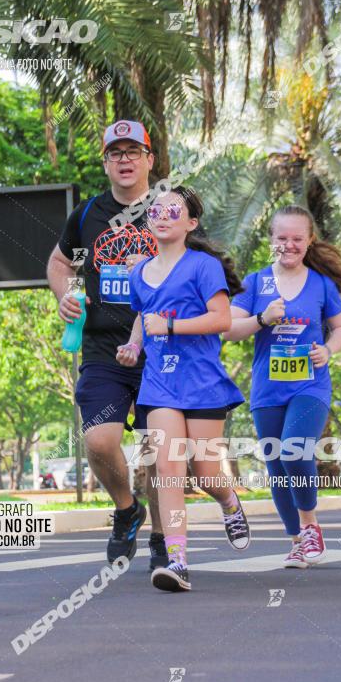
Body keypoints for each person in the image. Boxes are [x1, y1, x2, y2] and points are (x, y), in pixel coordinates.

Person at [117, 186, 250, 593]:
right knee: (169, 470)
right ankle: (178, 561)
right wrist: (134, 344)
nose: (161, 214)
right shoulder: (139, 272)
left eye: (173, 210)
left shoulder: (203, 266)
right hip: (159, 385)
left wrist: (171, 326)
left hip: (204, 384)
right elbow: (143, 316)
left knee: (206, 473)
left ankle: (229, 502)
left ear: (190, 223)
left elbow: (222, 319)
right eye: (156, 209)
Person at [47, 120, 167, 569]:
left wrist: (154, 266)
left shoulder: (169, 209)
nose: (124, 159)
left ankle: (162, 538)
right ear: (106, 161)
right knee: (99, 440)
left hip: (161, 349)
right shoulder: (86, 214)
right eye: (115, 152)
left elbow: (196, 272)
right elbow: (60, 262)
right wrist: (66, 295)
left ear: (149, 160)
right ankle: (126, 509)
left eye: (133, 151)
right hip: (102, 348)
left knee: (159, 449)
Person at [227, 204, 341, 568]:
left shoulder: (321, 284)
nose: (289, 245)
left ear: (309, 240)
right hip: (267, 390)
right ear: (271, 240)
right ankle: (297, 540)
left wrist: (328, 349)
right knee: (277, 469)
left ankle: (311, 525)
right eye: (282, 238)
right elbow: (230, 329)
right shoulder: (254, 283)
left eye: (297, 238)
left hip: (310, 386)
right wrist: (262, 319)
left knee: (294, 450)